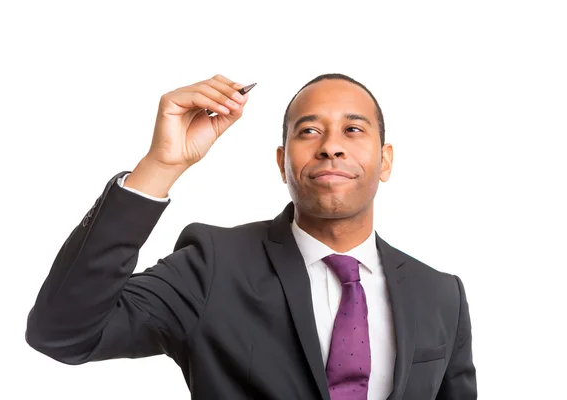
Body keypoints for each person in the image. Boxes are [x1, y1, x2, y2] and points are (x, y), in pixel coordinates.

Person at [25, 73, 477, 400]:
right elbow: (63, 334)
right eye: (309, 131)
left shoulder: (440, 294)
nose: (331, 146)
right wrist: (161, 166)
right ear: (282, 162)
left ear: (386, 160)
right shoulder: (212, 267)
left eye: (353, 130)